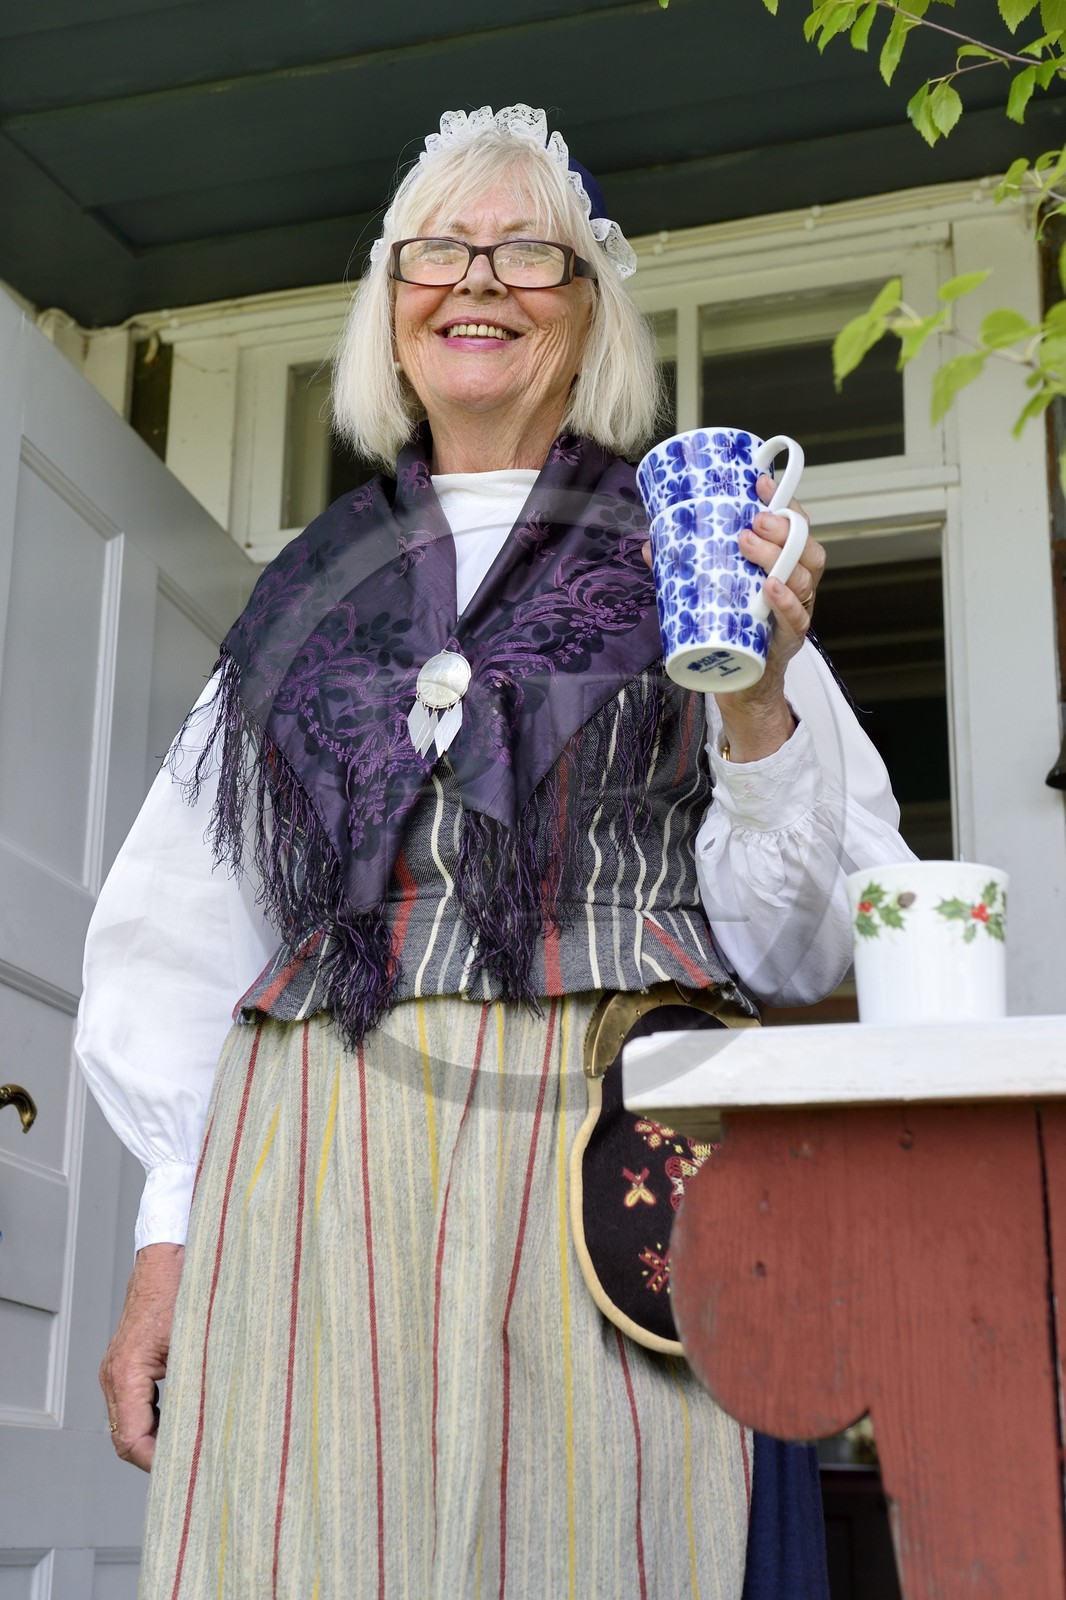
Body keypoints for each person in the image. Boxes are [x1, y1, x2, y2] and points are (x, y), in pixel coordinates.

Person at [76, 103, 914, 1599]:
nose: (478, 280)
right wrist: (166, 1241)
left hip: (614, 1152)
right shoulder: (302, 604)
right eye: (438, 251)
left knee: (611, 1543)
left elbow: (797, 947)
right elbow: (183, 942)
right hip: (319, 1163)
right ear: (389, 309)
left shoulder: (697, 563)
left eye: (529, 251)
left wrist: (764, 688)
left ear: (589, 313)